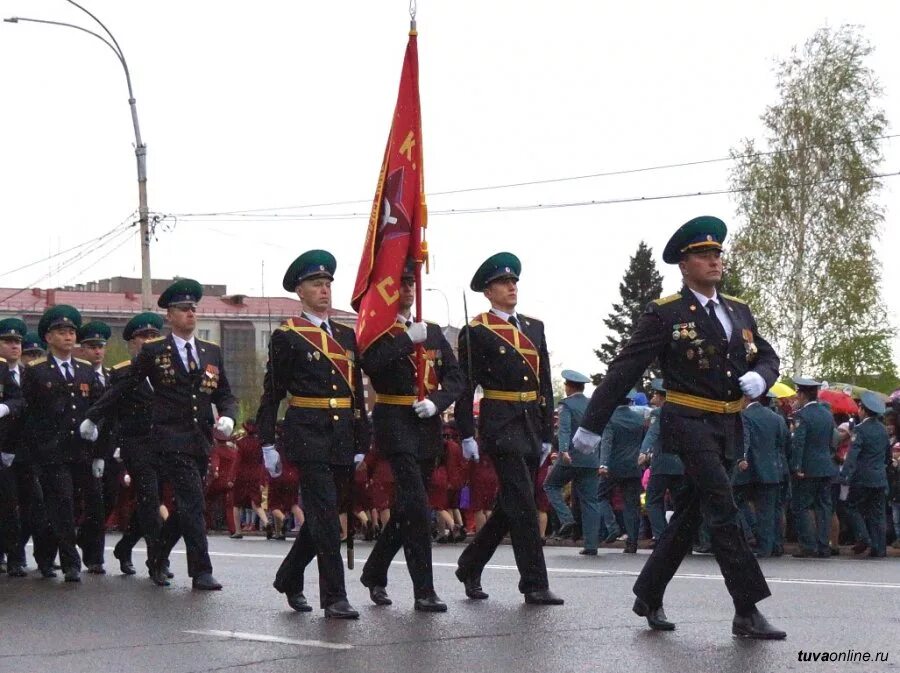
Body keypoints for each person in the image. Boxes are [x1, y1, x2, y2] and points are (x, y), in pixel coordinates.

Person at [572, 216, 785, 639]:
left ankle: (648, 593)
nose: (714, 260)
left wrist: (762, 377)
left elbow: (766, 355)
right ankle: (746, 609)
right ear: (683, 264)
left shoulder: (738, 310)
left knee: (689, 515)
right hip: (687, 421)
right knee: (723, 507)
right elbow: (625, 367)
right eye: (704, 255)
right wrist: (592, 424)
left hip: (728, 424)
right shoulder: (666, 313)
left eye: (717, 253)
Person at [84, 279, 237, 590]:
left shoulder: (210, 351)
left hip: (200, 439)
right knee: (191, 502)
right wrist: (94, 416)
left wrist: (230, 417)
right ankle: (201, 571)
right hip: (168, 438)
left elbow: (225, 394)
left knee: (188, 507)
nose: (190, 314)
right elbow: (124, 386)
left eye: (194, 308)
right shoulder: (156, 350)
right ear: (169, 315)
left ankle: (158, 554)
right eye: (183, 309)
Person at [258, 250, 369, 619]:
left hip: (340, 435)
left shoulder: (346, 335)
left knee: (325, 514)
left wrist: (361, 438)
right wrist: (267, 441)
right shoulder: (287, 336)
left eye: (327, 284)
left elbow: (356, 394)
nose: (324, 290)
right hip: (307, 432)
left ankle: (290, 575)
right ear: (300, 292)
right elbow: (272, 392)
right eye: (316, 285)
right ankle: (335, 596)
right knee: (324, 516)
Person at [454, 252, 563, 605]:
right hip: (500, 421)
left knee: (513, 503)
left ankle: (470, 564)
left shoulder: (535, 327)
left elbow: (544, 383)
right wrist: (466, 431)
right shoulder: (477, 330)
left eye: (514, 281)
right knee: (523, 502)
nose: (511, 287)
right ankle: (534, 583)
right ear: (488, 291)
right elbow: (465, 385)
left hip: (531, 421)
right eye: (503, 283)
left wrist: (548, 432)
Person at [358, 259, 462, 611]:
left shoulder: (430, 330)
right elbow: (370, 364)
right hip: (394, 423)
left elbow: (455, 377)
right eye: (401, 284)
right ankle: (424, 590)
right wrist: (406, 339)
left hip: (426, 425)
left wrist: (437, 402)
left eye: (411, 283)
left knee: (407, 508)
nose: (408, 290)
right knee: (417, 507)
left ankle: (375, 571)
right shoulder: (378, 331)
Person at [21, 305, 105, 582]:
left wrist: (96, 431)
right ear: (48, 337)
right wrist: (34, 450)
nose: (68, 337)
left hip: (81, 450)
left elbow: (99, 407)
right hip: (51, 452)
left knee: (89, 505)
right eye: (61, 332)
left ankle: (51, 552)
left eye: (71, 332)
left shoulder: (85, 371)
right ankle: (69, 561)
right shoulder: (36, 372)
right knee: (61, 505)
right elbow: (28, 412)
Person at [543, 369, 602, 555]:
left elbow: (564, 429)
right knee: (590, 501)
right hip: (591, 458)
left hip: (572, 457)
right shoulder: (593, 404)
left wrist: (563, 450)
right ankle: (592, 544)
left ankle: (566, 518)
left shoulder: (566, 404)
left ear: (568, 386)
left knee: (550, 485)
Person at [735, 392, 789, 558]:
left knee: (736, 501)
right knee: (771, 509)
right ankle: (775, 545)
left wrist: (742, 457)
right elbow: (784, 443)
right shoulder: (777, 418)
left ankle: (759, 542)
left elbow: (744, 439)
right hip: (773, 469)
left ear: (747, 398)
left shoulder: (745, 416)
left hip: (750, 469)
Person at [789, 377, 836, 558]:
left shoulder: (802, 415)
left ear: (802, 394)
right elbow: (832, 441)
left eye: (798, 393)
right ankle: (823, 546)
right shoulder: (827, 413)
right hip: (826, 466)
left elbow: (799, 443)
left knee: (802, 506)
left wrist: (797, 466)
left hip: (808, 468)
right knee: (824, 507)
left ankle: (808, 545)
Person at [841, 391, 891, 558]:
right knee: (877, 514)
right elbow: (887, 456)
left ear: (863, 409)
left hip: (862, 477)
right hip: (879, 477)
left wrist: (845, 475)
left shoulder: (860, 430)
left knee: (851, 506)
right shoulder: (883, 430)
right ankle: (880, 548)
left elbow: (853, 455)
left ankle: (864, 538)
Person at [598, 390, 645, 553]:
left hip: (613, 466)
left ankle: (612, 527)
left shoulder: (610, 418)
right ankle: (632, 542)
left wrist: (603, 464)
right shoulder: (639, 419)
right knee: (631, 505)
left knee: (599, 495)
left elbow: (607, 442)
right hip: (633, 466)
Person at [640, 379, 685, 545]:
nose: (653, 396)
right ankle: (680, 536)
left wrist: (643, 451)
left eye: (655, 394)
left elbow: (653, 433)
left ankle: (660, 536)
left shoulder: (658, 413)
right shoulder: (682, 412)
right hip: (680, 463)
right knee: (680, 502)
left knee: (653, 500)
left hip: (662, 463)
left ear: (661, 397)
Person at [0, 331, 26, 576]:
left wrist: (5, 407)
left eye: (16, 342)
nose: (14, 346)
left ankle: (15, 558)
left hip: (4, 446)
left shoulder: (1, 369)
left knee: (8, 505)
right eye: (8, 341)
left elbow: (18, 398)